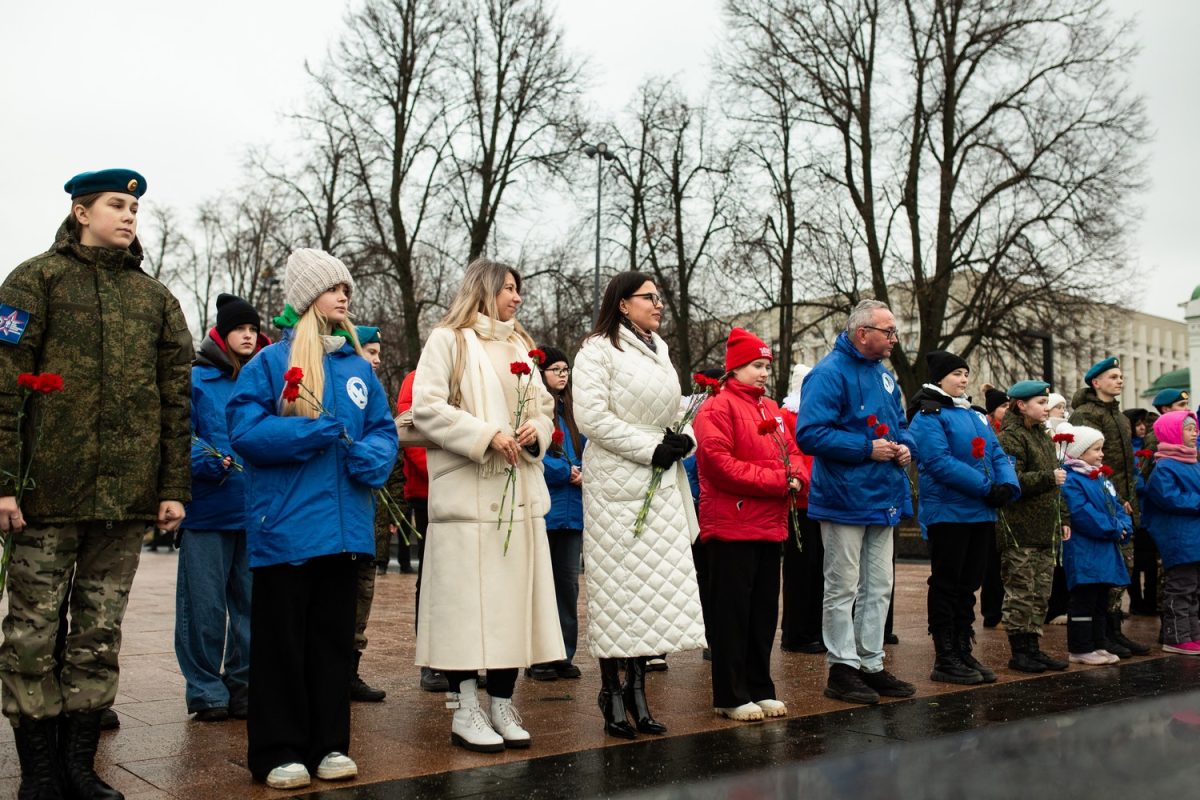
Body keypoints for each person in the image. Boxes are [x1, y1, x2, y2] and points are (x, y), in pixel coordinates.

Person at [0, 169, 192, 799]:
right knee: (30, 634)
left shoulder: (156, 299)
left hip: (126, 499)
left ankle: (80, 767)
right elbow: (3, 389)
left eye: (135, 206)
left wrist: (173, 488)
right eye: (117, 204)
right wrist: (4, 485)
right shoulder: (34, 282)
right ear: (82, 211)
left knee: (97, 635)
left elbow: (175, 403)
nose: (130, 215)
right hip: (44, 498)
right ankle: (41, 773)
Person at [228, 249, 398, 790]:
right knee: (282, 644)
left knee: (331, 643)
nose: (344, 296)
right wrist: (310, 434)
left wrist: (372, 457)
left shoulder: (356, 368)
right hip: (288, 530)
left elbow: (383, 429)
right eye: (332, 288)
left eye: (346, 288)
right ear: (306, 298)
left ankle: (329, 745)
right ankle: (279, 749)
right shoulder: (271, 364)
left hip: (346, 530)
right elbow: (246, 433)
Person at [412, 258, 562, 753]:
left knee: (510, 606)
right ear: (485, 289)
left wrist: (534, 432)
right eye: (509, 289)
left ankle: (501, 701)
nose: (517, 298)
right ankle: (465, 706)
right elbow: (427, 407)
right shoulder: (448, 339)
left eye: (518, 289)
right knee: (463, 609)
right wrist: (486, 434)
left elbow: (544, 407)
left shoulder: (520, 345)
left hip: (516, 494)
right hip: (466, 493)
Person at [572, 271, 706, 738]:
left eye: (660, 297)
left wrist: (681, 436)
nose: (659, 304)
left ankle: (638, 689)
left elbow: (670, 410)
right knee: (618, 591)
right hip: (616, 484)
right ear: (623, 304)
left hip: (659, 479)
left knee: (652, 593)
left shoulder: (660, 348)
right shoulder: (596, 350)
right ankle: (611, 690)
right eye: (650, 297)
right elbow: (590, 416)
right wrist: (647, 448)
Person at [795, 299, 917, 706]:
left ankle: (871, 662)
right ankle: (842, 667)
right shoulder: (827, 374)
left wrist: (904, 448)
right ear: (863, 333)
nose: (894, 340)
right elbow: (810, 434)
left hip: (881, 496)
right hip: (844, 497)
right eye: (889, 332)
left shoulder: (884, 377)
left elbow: (901, 427)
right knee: (842, 585)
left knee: (879, 585)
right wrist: (867, 449)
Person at [694, 328, 808, 721]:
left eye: (766, 366)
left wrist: (796, 476)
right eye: (756, 366)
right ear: (735, 368)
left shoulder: (772, 409)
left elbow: (794, 454)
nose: (763, 373)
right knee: (731, 615)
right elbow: (718, 465)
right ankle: (730, 694)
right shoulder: (716, 408)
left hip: (769, 524)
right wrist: (780, 479)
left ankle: (761, 687)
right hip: (731, 526)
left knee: (762, 614)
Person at [176, 294, 267, 723]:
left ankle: (244, 684)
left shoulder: (265, 379)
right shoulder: (196, 379)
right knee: (204, 607)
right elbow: (179, 435)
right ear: (222, 333)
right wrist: (210, 460)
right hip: (208, 511)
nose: (248, 335)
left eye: (253, 328)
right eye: (240, 328)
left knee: (251, 605)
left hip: (254, 511)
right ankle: (206, 689)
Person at [907, 351, 1020, 685]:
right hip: (949, 512)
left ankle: (962, 647)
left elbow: (997, 452)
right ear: (940, 377)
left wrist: (1007, 485)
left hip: (980, 511)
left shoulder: (973, 413)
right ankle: (945, 656)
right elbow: (938, 462)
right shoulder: (929, 414)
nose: (964, 379)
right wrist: (986, 487)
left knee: (970, 583)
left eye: (966, 373)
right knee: (947, 583)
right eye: (957, 373)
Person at [1068, 357, 1150, 657]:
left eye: (1120, 376)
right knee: (1102, 580)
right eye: (1113, 377)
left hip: (1119, 502)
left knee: (1120, 570)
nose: (1120, 381)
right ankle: (1102, 635)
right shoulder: (1086, 414)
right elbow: (1086, 458)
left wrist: (1125, 502)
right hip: (1100, 501)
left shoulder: (1119, 416)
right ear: (1096, 382)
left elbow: (1127, 463)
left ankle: (1112, 631)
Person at [995, 380, 1070, 673]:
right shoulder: (1011, 437)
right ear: (1021, 405)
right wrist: (1048, 478)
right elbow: (1012, 480)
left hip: (1044, 527)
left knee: (1040, 592)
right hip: (1020, 528)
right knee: (1021, 591)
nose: (1046, 407)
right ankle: (1020, 651)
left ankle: (1034, 647)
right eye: (1040, 402)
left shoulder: (1042, 435)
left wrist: (1063, 517)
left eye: (1046, 402)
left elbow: (1058, 484)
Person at [525, 346, 586, 682]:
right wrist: (566, 472)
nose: (563, 375)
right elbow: (532, 452)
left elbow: (588, 448)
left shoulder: (575, 412)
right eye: (556, 369)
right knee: (540, 587)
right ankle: (538, 658)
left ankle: (563, 653)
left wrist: (584, 471)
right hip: (544, 509)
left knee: (567, 586)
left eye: (566, 369)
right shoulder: (536, 410)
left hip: (572, 513)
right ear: (542, 373)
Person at [348, 326, 402, 703]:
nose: (378, 358)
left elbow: (392, 455)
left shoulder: (375, 395)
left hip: (371, 521)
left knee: (363, 595)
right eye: (371, 350)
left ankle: (349, 671)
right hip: (345, 520)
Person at [1060, 424, 1133, 664]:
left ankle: (1099, 644)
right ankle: (1080, 648)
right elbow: (1081, 513)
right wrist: (1114, 528)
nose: (1101, 454)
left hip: (1104, 549)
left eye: (1101, 449)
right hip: (1085, 549)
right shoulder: (1071, 480)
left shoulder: (1100, 478)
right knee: (1084, 600)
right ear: (1079, 452)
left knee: (1101, 599)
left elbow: (1117, 505)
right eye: (1095, 449)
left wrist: (1124, 525)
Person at [395, 371, 448, 692]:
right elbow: (410, 435)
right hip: (428, 491)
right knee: (432, 577)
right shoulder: (416, 378)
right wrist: (448, 474)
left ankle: (461, 658)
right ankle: (431, 662)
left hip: (465, 491)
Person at [1143, 410, 1200, 655]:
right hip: (1179, 538)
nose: (1194, 432)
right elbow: (1171, 498)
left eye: (1195, 428)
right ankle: (1175, 637)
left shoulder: (1193, 462)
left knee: (1194, 589)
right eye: (1188, 429)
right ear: (1173, 433)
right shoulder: (1165, 466)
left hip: (1194, 537)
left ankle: (1193, 634)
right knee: (1181, 588)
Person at [779, 382, 822, 654]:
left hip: (821, 499)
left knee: (819, 569)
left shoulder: (815, 413)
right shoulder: (786, 416)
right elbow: (791, 454)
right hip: (801, 500)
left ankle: (813, 629)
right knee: (800, 569)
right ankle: (795, 632)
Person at [980, 385, 1009, 628]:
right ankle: (992, 612)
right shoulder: (986, 430)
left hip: (1005, 501)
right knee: (991, 561)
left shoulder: (1007, 431)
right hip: (990, 499)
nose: (1007, 410)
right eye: (1003, 406)